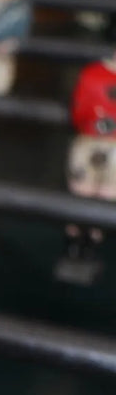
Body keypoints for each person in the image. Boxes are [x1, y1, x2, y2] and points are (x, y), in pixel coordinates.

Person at [62, 52, 116, 271]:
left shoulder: (91, 74)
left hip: (90, 140)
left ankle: (74, 248)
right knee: (99, 195)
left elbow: (79, 111)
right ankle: (85, 248)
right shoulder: (92, 74)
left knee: (87, 194)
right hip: (103, 144)